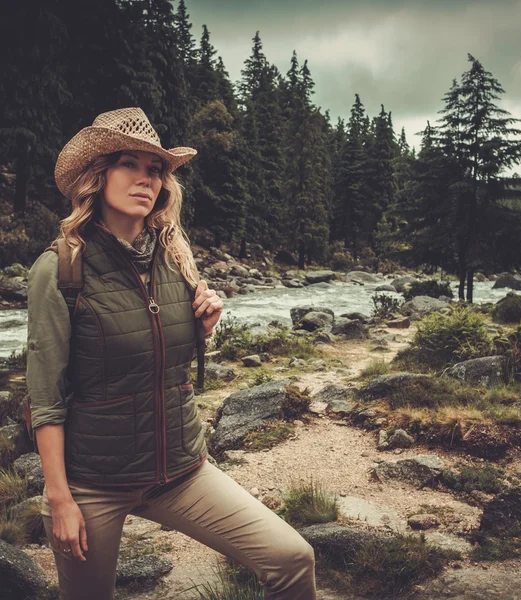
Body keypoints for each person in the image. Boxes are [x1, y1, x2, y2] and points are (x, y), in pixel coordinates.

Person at [26, 107, 317, 600]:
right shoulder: (59, 270)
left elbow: (161, 356)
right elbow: (46, 397)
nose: (146, 180)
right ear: (99, 176)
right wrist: (60, 499)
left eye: (155, 170)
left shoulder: (175, 255)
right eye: (129, 165)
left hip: (182, 471)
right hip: (96, 482)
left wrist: (203, 328)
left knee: (292, 559)